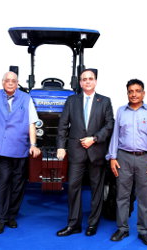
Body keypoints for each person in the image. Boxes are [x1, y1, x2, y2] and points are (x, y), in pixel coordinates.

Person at [56, 68, 114, 237]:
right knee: (73, 188)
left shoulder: (104, 101)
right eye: (84, 79)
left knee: (97, 189)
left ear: (95, 81)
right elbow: (63, 125)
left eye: (90, 78)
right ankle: (73, 224)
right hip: (76, 152)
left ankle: (93, 224)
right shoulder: (72, 100)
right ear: (80, 82)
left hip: (96, 151)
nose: (87, 81)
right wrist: (61, 146)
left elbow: (109, 125)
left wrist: (94, 139)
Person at [0, 71, 41, 234]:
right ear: (2, 82)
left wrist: (33, 144)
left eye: (13, 81)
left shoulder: (26, 98)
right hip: (2, 149)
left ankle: (11, 216)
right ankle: (0, 218)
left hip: (20, 147)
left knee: (18, 184)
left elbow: (31, 123)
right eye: (7, 80)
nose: (10, 83)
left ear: (17, 83)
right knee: (3, 183)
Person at [106, 79, 147, 246]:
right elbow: (115, 135)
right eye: (131, 91)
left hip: (145, 158)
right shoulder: (121, 111)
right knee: (122, 195)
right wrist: (113, 157)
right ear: (127, 93)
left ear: (143, 93)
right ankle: (122, 228)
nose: (134, 94)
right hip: (123, 157)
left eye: (137, 91)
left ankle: (144, 231)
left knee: (144, 197)